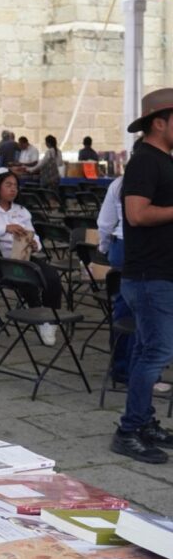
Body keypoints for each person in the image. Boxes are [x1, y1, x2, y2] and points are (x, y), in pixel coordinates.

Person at [110, 87, 173, 463]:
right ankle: (129, 430)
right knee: (155, 352)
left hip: (158, 274)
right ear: (159, 122)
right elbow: (136, 214)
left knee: (150, 351)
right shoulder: (145, 161)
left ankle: (144, 421)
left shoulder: (163, 160)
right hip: (150, 276)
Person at [0, 170, 64, 345]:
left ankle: (50, 318)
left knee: (51, 276)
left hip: (18, 257)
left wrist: (35, 244)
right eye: (8, 185)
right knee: (25, 277)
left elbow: (33, 235)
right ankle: (38, 314)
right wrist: (5, 228)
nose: (13, 190)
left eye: (15, 186)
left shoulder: (21, 211)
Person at [98, 172, 133, 384]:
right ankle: (128, 368)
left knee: (123, 308)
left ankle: (121, 367)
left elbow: (105, 222)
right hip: (137, 247)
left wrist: (103, 247)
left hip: (120, 245)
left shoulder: (119, 183)